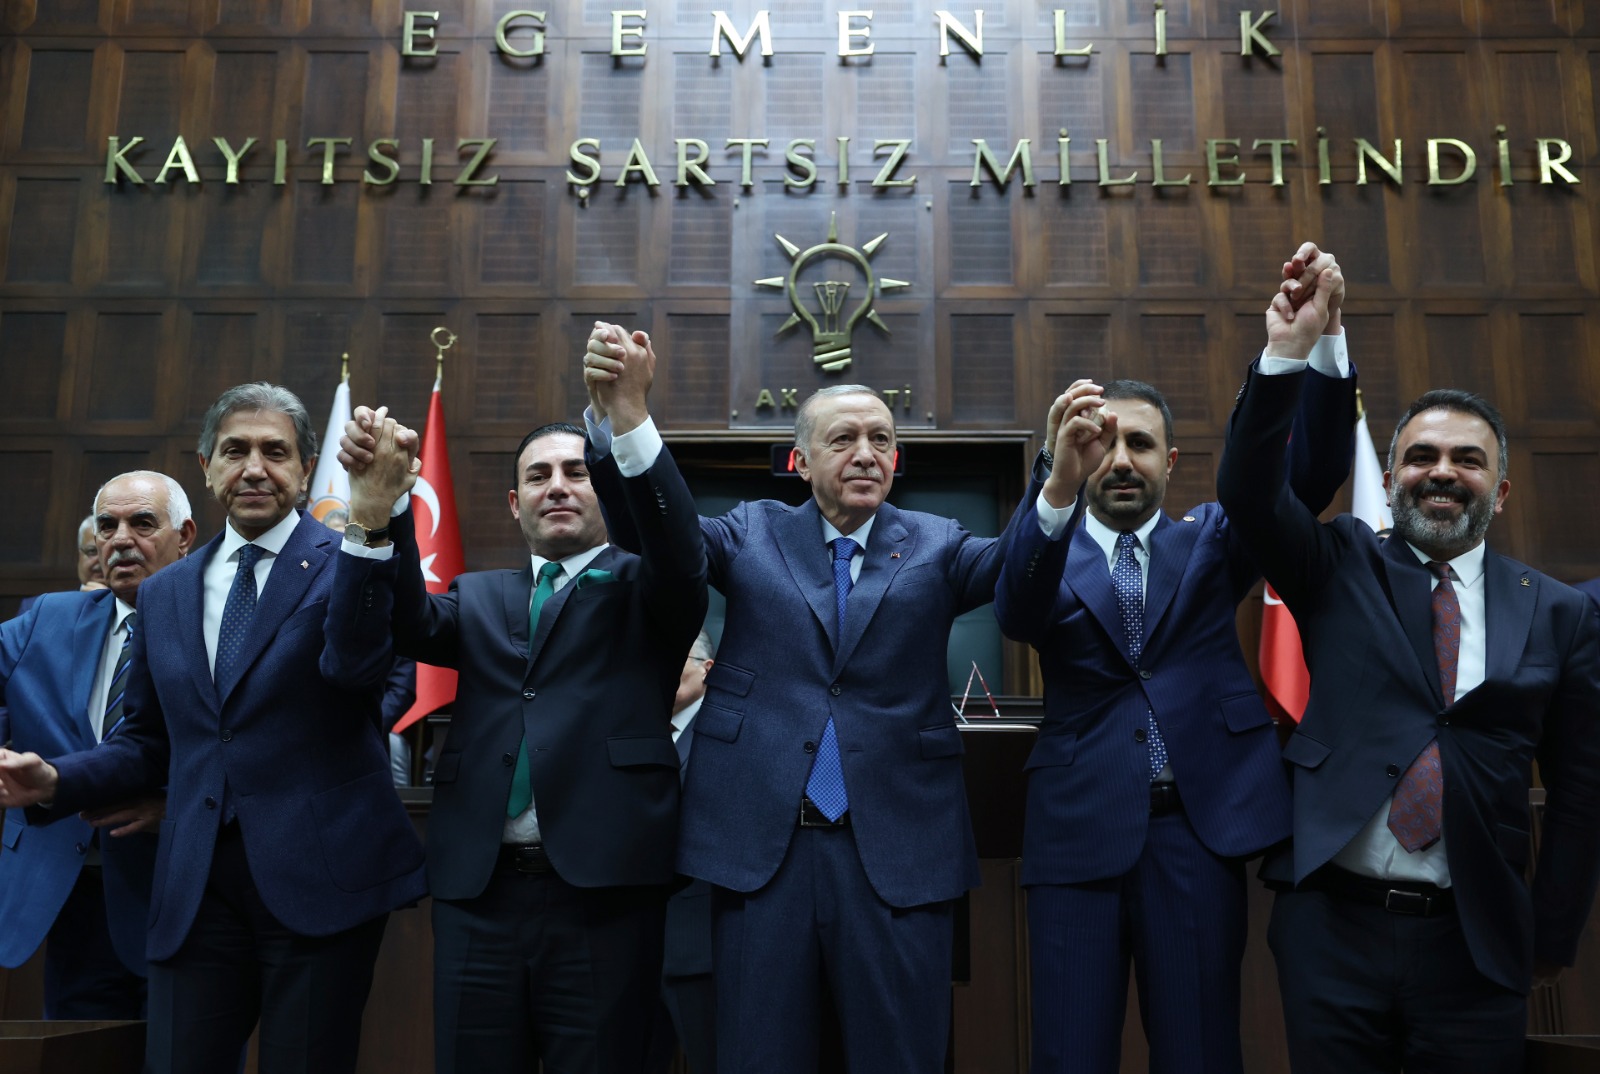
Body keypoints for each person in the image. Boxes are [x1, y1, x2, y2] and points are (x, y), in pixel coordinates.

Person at [582, 323, 1020, 1073]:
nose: (867, 453)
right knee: (761, 1056)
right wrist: (627, 418)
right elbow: (662, 538)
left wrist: (1057, 486)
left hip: (896, 854)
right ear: (801, 460)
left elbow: (1021, 568)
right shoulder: (751, 531)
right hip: (764, 852)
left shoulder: (939, 541)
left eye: (882, 440)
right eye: (844, 439)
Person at [1217, 262, 1600, 1073]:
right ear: (1391, 481)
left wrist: (1550, 934)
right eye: (1422, 456)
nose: (1443, 472)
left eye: (1467, 459)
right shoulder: (1337, 563)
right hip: (1333, 930)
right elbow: (1249, 493)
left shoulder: (1560, 613)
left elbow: (1580, 793)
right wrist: (1289, 353)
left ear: (1502, 489)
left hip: (1476, 941)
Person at [993, 246, 1356, 1074]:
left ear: (1171, 462)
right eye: (1103, 445)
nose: (1122, 460)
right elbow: (1015, 612)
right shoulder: (1046, 543)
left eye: (1141, 445)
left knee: (1200, 1054)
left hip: (1196, 831)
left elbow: (1309, 475)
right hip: (1078, 836)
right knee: (1068, 1056)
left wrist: (1308, 349)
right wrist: (1055, 486)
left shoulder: (1216, 541)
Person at [0, 382, 426, 1074]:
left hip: (319, 876)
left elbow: (355, 670)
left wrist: (371, 520)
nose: (254, 468)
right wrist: (55, 779)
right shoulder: (165, 591)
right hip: (194, 884)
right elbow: (146, 741)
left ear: (306, 467)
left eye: (274, 452)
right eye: (235, 451)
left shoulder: (351, 558)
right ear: (207, 467)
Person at [325, 381, 707, 1074]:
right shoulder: (477, 595)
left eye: (576, 472)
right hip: (481, 895)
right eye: (538, 476)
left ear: (603, 490)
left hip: (606, 896)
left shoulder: (650, 588)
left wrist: (627, 423)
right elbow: (403, 620)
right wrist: (387, 501)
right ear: (514, 501)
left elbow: (681, 553)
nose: (557, 486)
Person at [0, 472, 193, 1019]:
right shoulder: (47, 617)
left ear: (184, 537)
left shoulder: (216, 626)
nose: (121, 540)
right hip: (67, 889)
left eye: (142, 523)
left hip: (178, 891)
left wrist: (175, 809)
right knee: (76, 1052)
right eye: (107, 526)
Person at [651, 629, 718, 1074]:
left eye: (676, 657)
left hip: (698, 943)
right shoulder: (637, 730)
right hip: (631, 943)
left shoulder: (725, 733)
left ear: (706, 669)